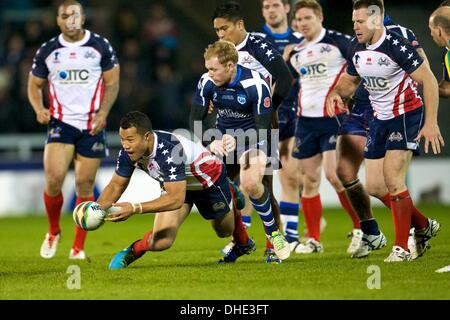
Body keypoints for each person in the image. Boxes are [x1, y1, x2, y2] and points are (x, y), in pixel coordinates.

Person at [327, 0, 444, 262]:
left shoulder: (397, 44)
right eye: (354, 21)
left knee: (393, 180)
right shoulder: (356, 46)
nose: (355, 26)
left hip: (405, 114)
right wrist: (337, 93)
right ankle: (424, 225)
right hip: (378, 118)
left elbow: (427, 79)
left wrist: (431, 122)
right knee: (375, 186)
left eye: (360, 21)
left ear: (376, 20)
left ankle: (401, 248)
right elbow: (350, 80)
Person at [99, 111, 254, 268]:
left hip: (209, 182)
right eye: (122, 139)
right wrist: (95, 209)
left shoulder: (170, 151)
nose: (125, 145)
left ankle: (230, 192)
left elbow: (175, 200)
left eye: (130, 140)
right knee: (161, 242)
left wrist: (135, 208)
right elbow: (116, 185)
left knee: (224, 231)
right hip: (177, 186)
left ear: (146, 137)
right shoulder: (128, 152)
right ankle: (132, 251)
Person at [27, 0, 120, 260]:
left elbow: (112, 83)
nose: (70, 19)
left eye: (74, 14)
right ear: (58, 20)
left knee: (84, 185)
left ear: (83, 17)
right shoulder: (48, 50)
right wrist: (38, 108)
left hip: (92, 124)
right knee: (54, 180)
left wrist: (103, 113)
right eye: (65, 15)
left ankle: (78, 247)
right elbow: (34, 85)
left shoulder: (99, 46)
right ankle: (54, 230)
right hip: (61, 122)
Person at [190, 40, 291, 262]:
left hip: (257, 138)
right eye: (208, 68)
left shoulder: (255, 84)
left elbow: (263, 127)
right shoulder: (207, 81)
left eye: (214, 69)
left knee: (252, 183)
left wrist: (236, 139)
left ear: (230, 66)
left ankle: (274, 237)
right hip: (224, 139)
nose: (210, 73)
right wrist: (211, 142)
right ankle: (242, 243)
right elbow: (195, 119)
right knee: (222, 195)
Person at [212, 2, 293, 262]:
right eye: (216, 30)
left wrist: (268, 111)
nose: (220, 35)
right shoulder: (221, 54)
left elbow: (285, 78)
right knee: (226, 186)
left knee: (260, 186)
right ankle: (241, 241)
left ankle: (274, 245)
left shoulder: (257, 46)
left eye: (224, 28)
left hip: (258, 125)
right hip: (228, 126)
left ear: (239, 25)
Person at [285, 0, 362, 254]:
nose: (302, 23)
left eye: (307, 18)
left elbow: (360, 67)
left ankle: (361, 229)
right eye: (299, 20)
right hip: (306, 121)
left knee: (334, 174)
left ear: (319, 17)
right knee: (309, 179)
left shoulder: (339, 41)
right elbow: (296, 83)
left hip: (334, 119)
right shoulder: (295, 53)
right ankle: (314, 239)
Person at [253, 0, 304, 250]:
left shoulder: (303, 38)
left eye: (275, 5)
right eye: (265, 7)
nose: (270, 10)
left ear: (286, 8)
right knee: (255, 179)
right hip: (263, 115)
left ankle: (292, 236)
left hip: (294, 114)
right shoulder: (255, 40)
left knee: (291, 175)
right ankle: (246, 236)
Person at [429, 5, 450, 97]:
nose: (431, 34)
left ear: (438, 31)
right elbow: (447, 90)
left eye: (431, 29)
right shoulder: (447, 53)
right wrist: (425, 86)